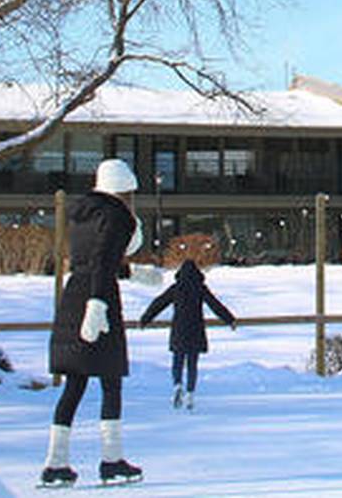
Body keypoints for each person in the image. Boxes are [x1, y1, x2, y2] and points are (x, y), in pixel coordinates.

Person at [41, 159, 145, 487]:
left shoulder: (83, 214)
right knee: (111, 381)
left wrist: (134, 273)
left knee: (75, 383)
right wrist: (98, 305)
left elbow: (92, 258)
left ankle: (56, 463)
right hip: (98, 300)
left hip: (74, 296)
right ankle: (112, 460)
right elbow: (103, 260)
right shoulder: (117, 216)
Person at [139, 258, 237, 411]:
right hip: (196, 329)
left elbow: (159, 303)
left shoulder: (176, 288)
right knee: (192, 363)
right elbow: (215, 305)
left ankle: (177, 384)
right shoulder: (200, 288)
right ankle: (190, 392)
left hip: (179, 329)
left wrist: (145, 319)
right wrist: (229, 319)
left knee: (177, 360)